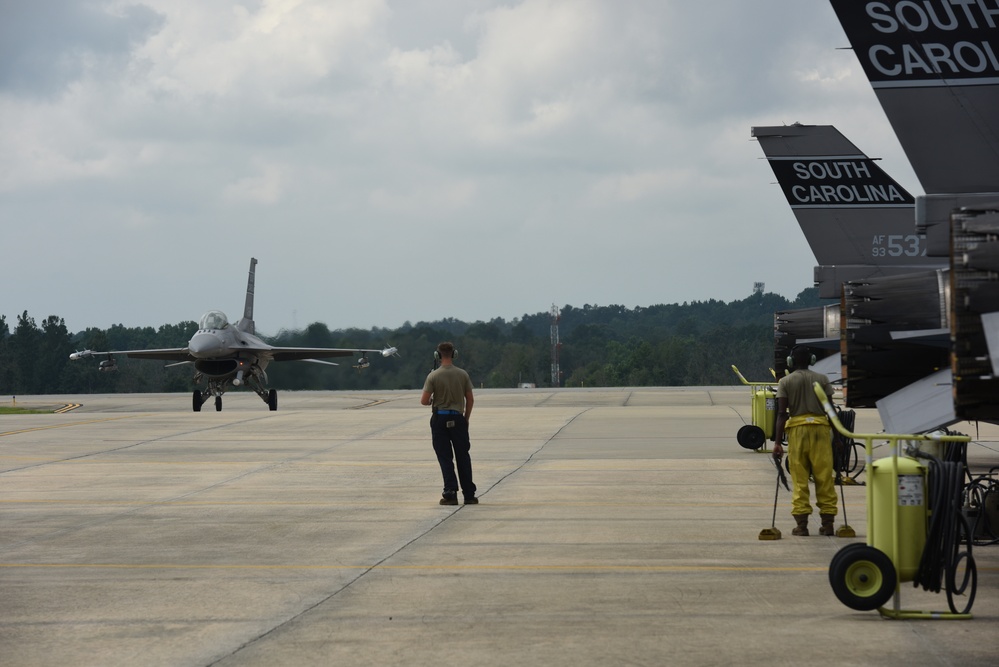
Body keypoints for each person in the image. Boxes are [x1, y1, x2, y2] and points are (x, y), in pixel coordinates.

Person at [773, 346, 837, 536]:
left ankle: (801, 526)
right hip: (821, 430)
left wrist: (777, 442)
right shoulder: (823, 379)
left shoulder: (785, 381)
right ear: (812, 359)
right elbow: (831, 410)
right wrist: (839, 437)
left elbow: (781, 414)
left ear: (790, 362)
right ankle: (828, 524)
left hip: (798, 432)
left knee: (799, 479)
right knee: (824, 477)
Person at [420, 342, 477, 505]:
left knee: (445, 457)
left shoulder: (433, 376)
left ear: (437, 356)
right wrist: (465, 418)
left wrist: (432, 399)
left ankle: (450, 492)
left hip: (440, 418)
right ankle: (469, 494)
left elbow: (424, 401)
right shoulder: (463, 374)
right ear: (454, 354)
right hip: (458, 418)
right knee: (463, 457)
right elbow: (470, 399)